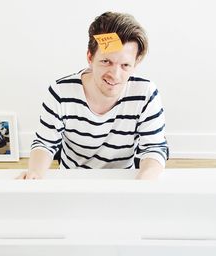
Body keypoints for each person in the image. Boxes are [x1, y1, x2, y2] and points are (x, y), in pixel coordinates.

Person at [19, 11, 168, 180]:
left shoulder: (145, 94)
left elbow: (154, 148)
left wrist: (143, 182)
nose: (115, 74)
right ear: (90, 57)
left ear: (135, 63)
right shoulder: (61, 92)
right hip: (71, 180)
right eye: (106, 61)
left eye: (125, 65)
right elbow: (45, 143)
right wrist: (35, 174)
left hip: (123, 181)